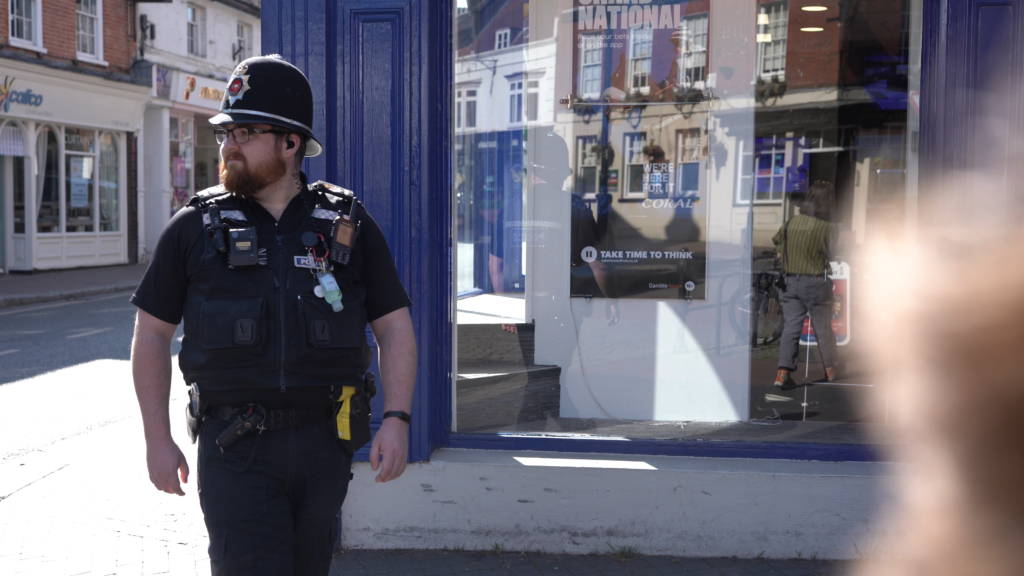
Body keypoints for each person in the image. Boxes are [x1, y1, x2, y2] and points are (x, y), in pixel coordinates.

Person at [129, 55, 417, 575]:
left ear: (291, 142)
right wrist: (156, 438)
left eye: (243, 132)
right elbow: (151, 333)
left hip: (324, 450)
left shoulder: (346, 224)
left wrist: (396, 419)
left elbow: (394, 325)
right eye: (224, 134)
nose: (228, 145)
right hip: (235, 448)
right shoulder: (194, 228)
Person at [772, 181, 839, 389]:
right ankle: (830, 370)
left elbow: (778, 247)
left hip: (790, 282)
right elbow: (833, 253)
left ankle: (782, 373)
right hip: (816, 282)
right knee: (822, 328)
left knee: (791, 327)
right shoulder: (829, 226)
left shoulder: (792, 222)